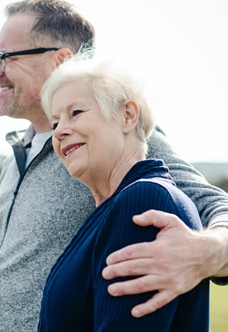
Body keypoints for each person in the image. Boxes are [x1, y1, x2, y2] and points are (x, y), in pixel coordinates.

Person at [0, 0, 228, 332]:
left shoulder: (116, 138)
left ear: (61, 61)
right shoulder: (16, 154)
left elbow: (213, 206)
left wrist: (208, 253)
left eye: (5, 57)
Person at [38, 51, 209, 331]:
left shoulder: (143, 202)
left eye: (76, 113)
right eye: (55, 123)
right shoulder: (111, 211)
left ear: (128, 116)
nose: (59, 132)